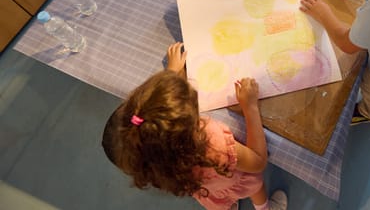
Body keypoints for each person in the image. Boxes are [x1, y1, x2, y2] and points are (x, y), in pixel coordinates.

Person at [101, 42, 288, 210]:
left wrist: (172, 73)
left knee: (221, 202)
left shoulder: (158, 166)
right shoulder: (212, 140)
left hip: (208, 192)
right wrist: (250, 107)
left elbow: (157, 119)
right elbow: (258, 162)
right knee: (253, 188)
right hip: (237, 181)